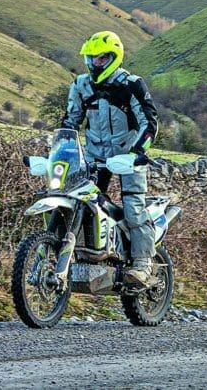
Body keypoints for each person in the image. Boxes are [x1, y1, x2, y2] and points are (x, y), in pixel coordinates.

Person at [61, 31, 159, 286]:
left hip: (126, 155)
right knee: (79, 204)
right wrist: (59, 149)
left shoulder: (131, 84)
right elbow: (69, 122)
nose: (95, 63)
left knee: (133, 208)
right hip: (94, 156)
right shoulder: (81, 85)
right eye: (91, 58)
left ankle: (142, 265)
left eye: (101, 59)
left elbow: (149, 124)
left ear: (114, 57)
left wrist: (136, 154)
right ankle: (83, 257)